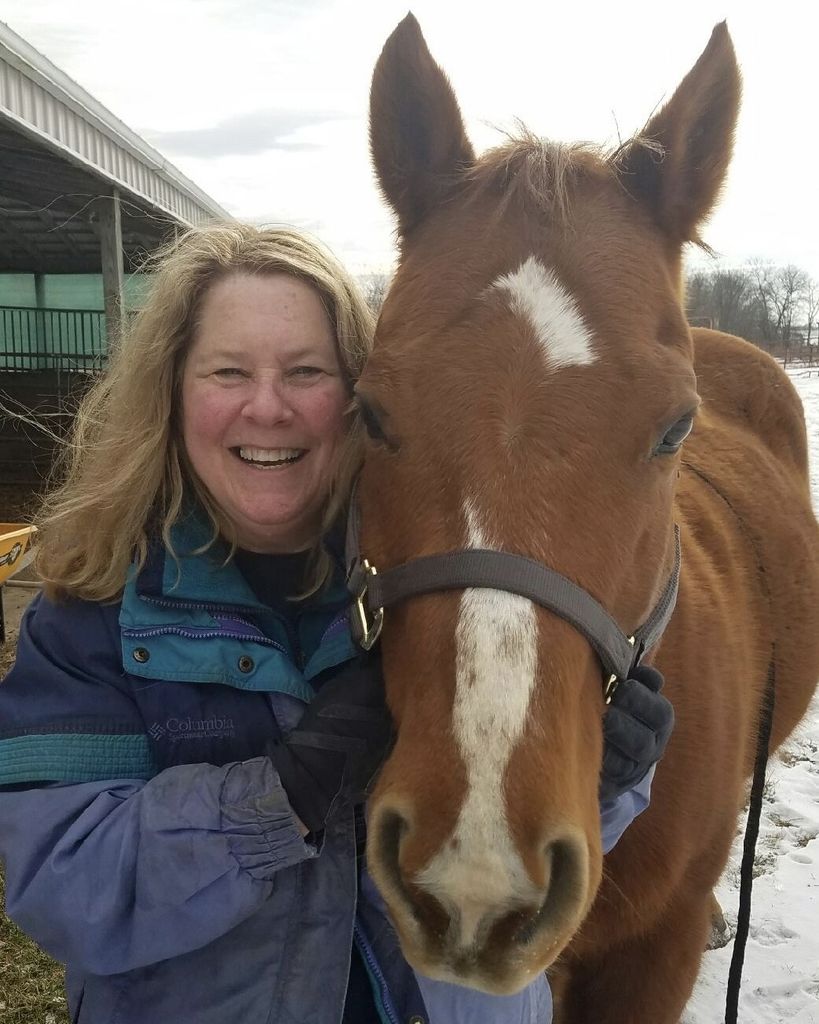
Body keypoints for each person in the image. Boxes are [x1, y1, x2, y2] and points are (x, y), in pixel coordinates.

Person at [0, 224, 672, 1024]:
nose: (268, 407)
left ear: (357, 398)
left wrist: (595, 777)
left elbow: (502, 840)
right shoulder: (92, 612)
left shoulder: (441, 575)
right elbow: (64, 882)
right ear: (172, 394)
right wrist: (280, 797)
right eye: (228, 372)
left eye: (305, 372)